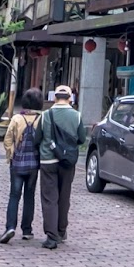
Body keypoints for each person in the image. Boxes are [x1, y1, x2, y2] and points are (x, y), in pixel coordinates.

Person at [36, 85, 83, 250]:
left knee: (50, 198)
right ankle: (61, 231)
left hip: (48, 161)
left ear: (55, 98)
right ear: (70, 98)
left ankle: (51, 236)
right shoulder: (76, 116)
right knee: (64, 197)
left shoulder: (46, 115)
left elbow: (37, 138)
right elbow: (82, 139)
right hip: (67, 163)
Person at [0, 88, 45, 244]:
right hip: (34, 164)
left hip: (17, 163)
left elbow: (7, 139)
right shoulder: (42, 119)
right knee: (29, 196)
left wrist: (11, 154)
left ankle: (10, 227)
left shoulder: (17, 119)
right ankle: (27, 230)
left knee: (14, 195)